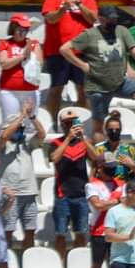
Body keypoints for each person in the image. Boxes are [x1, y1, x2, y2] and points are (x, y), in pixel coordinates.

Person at [60, 5, 135, 143]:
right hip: (98, 87)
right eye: (110, 19)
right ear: (101, 19)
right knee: (98, 126)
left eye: (115, 19)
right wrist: (83, 65)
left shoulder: (122, 31)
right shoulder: (90, 34)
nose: (113, 22)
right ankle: (100, 157)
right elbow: (64, 49)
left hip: (119, 82)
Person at [42, 0, 98, 118]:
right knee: (57, 88)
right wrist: (63, 8)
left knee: (83, 89)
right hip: (57, 52)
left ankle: (82, 123)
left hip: (82, 53)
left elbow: (93, 19)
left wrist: (79, 4)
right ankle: (52, 123)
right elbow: (50, 19)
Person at [0, 106, 43, 249]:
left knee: (30, 230)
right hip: (10, 194)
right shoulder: (1, 143)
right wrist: (22, 115)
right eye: (16, 128)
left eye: (21, 128)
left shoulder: (27, 143)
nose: (19, 131)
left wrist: (32, 117)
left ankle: (27, 261)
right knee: (8, 230)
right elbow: (4, 136)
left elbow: (41, 134)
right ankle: (6, 263)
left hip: (29, 192)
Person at [49, 110, 90, 260]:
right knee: (60, 233)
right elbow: (54, 158)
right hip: (62, 194)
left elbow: (96, 158)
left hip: (81, 195)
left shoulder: (83, 143)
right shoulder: (56, 143)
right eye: (67, 123)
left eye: (74, 122)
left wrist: (83, 138)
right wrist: (68, 139)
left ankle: (78, 261)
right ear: (62, 125)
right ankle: (61, 262)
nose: (71, 125)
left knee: (81, 232)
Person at [0, 13, 43, 119]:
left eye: (25, 30)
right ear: (13, 28)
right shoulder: (5, 44)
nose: (23, 33)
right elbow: (4, 64)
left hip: (30, 89)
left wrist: (28, 55)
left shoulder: (33, 44)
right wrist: (22, 56)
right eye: (20, 29)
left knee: (30, 123)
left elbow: (39, 64)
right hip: (9, 90)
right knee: (11, 121)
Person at [85, 160, 122, 268]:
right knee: (96, 267)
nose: (111, 171)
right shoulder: (92, 185)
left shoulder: (120, 184)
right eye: (108, 168)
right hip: (99, 231)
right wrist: (117, 201)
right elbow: (98, 205)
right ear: (100, 168)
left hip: (116, 232)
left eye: (113, 168)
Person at [92, 110, 135, 182]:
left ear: (120, 130)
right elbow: (93, 173)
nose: (114, 132)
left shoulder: (130, 149)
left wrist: (133, 166)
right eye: (111, 130)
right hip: (105, 186)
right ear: (106, 130)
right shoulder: (99, 149)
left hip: (123, 188)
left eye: (117, 130)